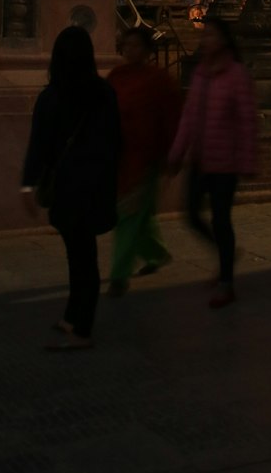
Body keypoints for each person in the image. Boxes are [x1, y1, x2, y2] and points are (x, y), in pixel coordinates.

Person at [21, 25, 120, 350]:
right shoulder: (104, 93)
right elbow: (115, 140)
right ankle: (71, 316)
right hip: (95, 185)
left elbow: (40, 145)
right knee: (82, 255)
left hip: (66, 187)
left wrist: (28, 184)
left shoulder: (51, 97)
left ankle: (82, 330)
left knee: (79, 258)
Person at [169, 18, 258, 309]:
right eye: (203, 34)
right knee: (192, 214)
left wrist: (247, 160)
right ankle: (226, 256)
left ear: (223, 40)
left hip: (225, 162)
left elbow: (246, 121)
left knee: (221, 220)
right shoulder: (200, 74)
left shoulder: (236, 74)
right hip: (200, 158)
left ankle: (226, 282)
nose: (205, 39)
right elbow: (188, 116)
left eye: (210, 35)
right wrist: (177, 152)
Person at [106, 25, 182, 295]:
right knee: (136, 214)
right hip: (121, 155)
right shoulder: (116, 76)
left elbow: (172, 120)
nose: (130, 50)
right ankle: (156, 254)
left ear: (148, 50)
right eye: (127, 45)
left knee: (128, 215)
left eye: (136, 45)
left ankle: (119, 272)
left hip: (147, 157)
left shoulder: (160, 80)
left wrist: (172, 155)